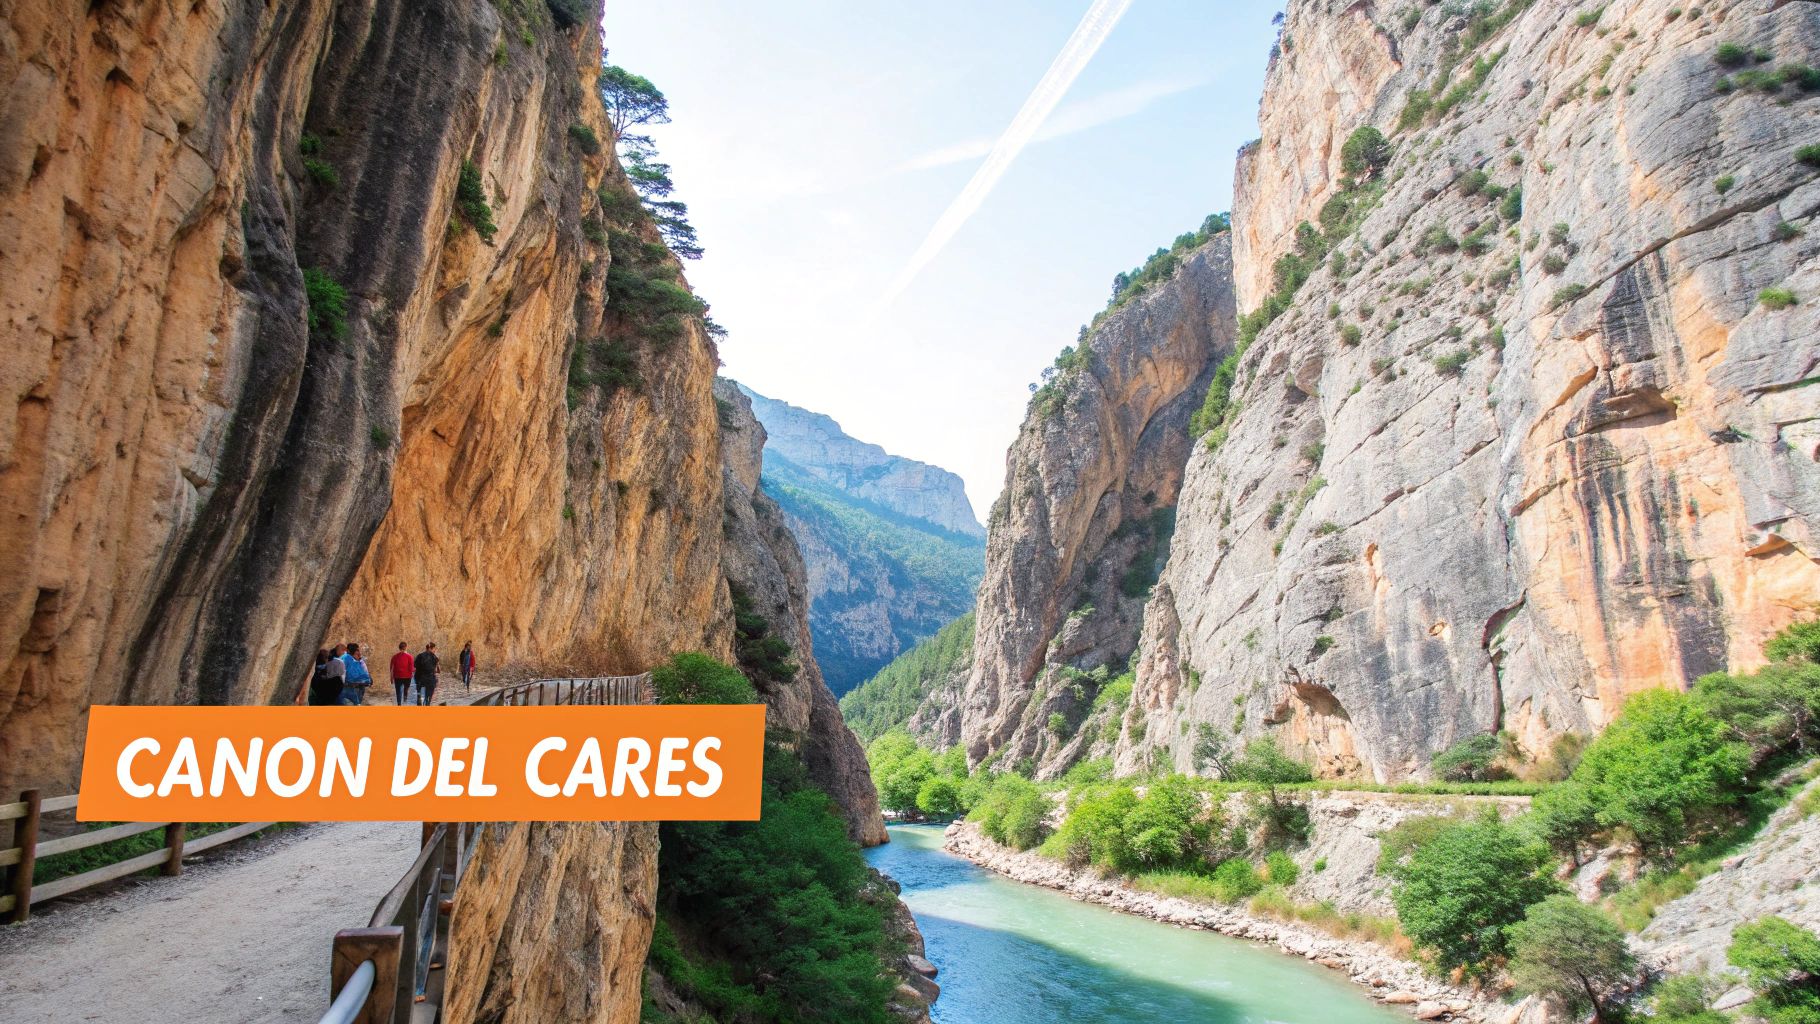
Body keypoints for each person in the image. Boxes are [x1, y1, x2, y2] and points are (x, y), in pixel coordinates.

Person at [414, 642, 440, 706]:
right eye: (434, 649)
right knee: (430, 692)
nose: (435, 650)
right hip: (430, 679)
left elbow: (415, 665)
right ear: (431, 648)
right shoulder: (434, 657)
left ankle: (419, 696)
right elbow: (437, 670)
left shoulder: (419, 655)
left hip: (420, 678)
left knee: (419, 686)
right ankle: (427, 703)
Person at [390, 641, 416, 706]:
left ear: (399, 648)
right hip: (407, 677)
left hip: (397, 677)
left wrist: (391, 678)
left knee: (398, 691)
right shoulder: (410, 657)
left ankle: (399, 704)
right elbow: (411, 669)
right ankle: (405, 701)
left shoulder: (394, 657)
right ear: (406, 647)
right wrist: (415, 670)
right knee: (406, 690)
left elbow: (391, 668)